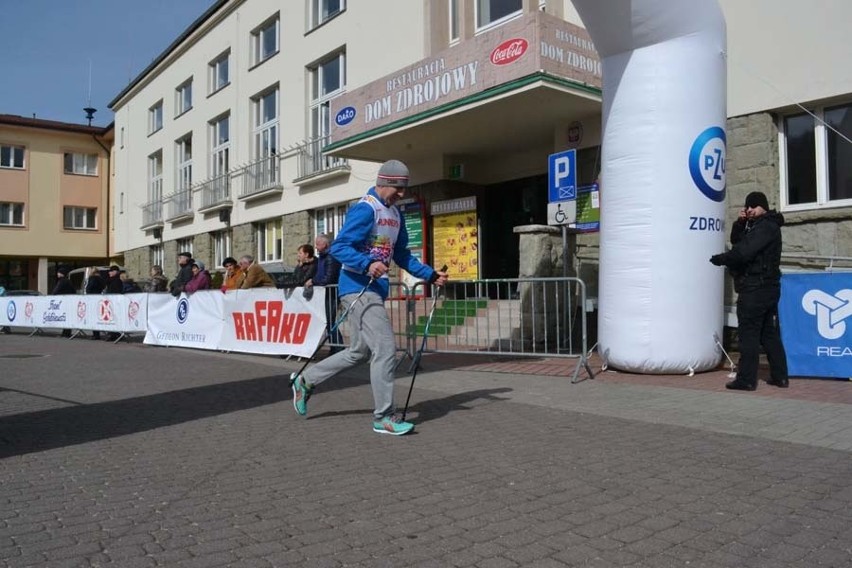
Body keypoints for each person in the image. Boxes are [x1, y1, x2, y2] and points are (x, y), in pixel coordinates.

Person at [289, 159, 448, 436]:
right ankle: (384, 416)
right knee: (386, 348)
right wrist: (366, 264)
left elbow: (402, 256)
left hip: (375, 289)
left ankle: (305, 381)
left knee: (359, 352)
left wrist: (430, 275)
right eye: (398, 188)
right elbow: (339, 246)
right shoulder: (365, 209)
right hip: (357, 288)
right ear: (384, 182)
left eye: (404, 189)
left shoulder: (395, 216)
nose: (401, 194)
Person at [710, 191, 789, 391]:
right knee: (767, 334)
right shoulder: (760, 226)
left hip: (756, 289)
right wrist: (739, 223)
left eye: (753, 206)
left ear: (763, 206)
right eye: (748, 207)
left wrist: (722, 259)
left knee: (749, 334)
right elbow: (739, 241)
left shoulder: (765, 227)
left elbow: (744, 251)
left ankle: (746, 379)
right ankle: (780, 376)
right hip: (766, 288)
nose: (750, 210)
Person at [309, 233, 343, 353]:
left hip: (331, 293)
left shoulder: (331, 257)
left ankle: (338, 347)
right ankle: (335, 347)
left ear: (326, 244)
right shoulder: (323, 257)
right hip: (326, 294)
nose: (316, 247)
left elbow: (329, 278)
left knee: (330, 320)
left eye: (318, 244)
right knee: (327, 321)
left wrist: (313, 282)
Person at [51, 265, 76, 337]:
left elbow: (56, 290)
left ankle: (66, 333)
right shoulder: (68, 281)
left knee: (66, 317)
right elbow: (73, 291)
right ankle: (66, 332)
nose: (57, 274)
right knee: (67, 317)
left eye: (58, 272)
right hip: (69, 301)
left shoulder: (62, 281)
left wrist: (52, 295)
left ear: (62, 273)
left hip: (65, 301)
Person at [103, 265, 124, 341]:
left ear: (115, 272)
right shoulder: (110, 280)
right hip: (109, 301)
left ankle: (114, 334)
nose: (109, 273)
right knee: (109, 318)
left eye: (111, 271)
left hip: (115, 301)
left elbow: (117, 291)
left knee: (114, 318)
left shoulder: (117, 281)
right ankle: (113, 333)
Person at [85, 268, 106, 340]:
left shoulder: (92, 278)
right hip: (98, 297)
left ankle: (95, 334)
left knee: (93, 317)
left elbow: (89, 288)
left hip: (92, 298)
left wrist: (88, 291)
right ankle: (98, 333)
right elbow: (103, 287)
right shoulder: (101, 279)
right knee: (98, 316)